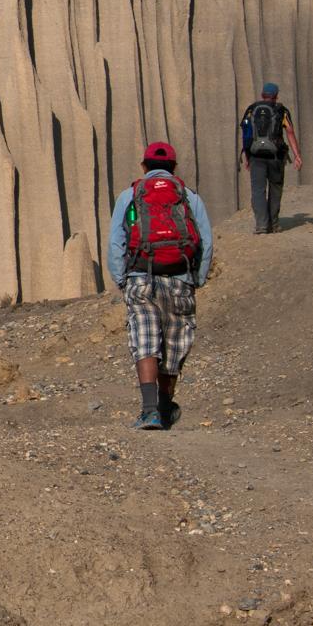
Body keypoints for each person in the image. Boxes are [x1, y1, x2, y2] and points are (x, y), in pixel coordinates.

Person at [107, 142, 215, 431]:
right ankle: (166, 408)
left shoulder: (129, 195)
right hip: (180, 279)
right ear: (174, 168)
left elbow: (116, 242)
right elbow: (205, 242)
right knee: (174, 344)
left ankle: (150, 410)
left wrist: (122, 278)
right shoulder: (189, 197)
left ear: (144, 167)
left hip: (140, 278)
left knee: (145, 342)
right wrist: (197, 279)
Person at [239, 83, 302, 234]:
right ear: (276, 96)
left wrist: (247, 156)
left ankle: (261, 225)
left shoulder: (251, 110)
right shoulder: (281, 110)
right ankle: (274, 224)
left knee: (258, 191)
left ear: (262, 95)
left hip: (256, 156)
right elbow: (290, 132)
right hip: (276, 157)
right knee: (275, 189)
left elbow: (246, 135)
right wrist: (297, 155)